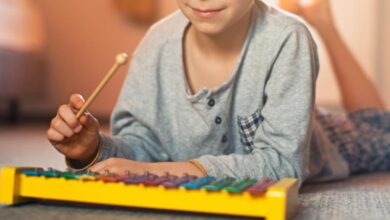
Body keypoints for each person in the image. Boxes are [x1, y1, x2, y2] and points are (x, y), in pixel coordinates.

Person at [47, 0, 350, 184]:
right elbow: (142, 148)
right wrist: (94, 150)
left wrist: (180, 170)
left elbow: (284, 165)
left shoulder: (287, 39)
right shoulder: (156, 43)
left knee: (380, 126)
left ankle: (325, 21)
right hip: (296, 115)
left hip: (331, 138)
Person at [280, 0, 390, 176]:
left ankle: (325, 24)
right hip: (312, 131)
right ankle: (325, 24)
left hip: (322, 140)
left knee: (381, 128)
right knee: (378, 124)